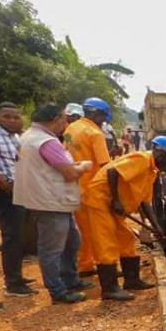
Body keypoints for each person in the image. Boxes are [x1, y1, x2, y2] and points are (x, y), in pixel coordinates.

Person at [13, 104, 95, 304]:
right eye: (64, 120)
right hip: (52, 201)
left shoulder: (26, 138)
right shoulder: (47, 142)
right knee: (52, 250)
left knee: (72, 241)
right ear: (56, 119)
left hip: (48, 199)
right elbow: (69, 174)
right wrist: (84, 166)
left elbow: (50, 167)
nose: (65, 125)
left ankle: (70, 279)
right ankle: (58, 291)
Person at [78, 137, 166, 301]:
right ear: (158, 151)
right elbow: (112, 171)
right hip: (100, 200)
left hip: (114, 206)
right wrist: (115, 200)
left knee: (127, 238)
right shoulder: (142, 159)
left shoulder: (151, 171)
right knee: (106, 242)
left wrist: (156, 227)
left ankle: (132, 280)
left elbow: (144, 202)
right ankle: (109, 289)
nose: (165, 161)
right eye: (165, 156)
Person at [65, 97, 114, 276]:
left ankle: (85, 264)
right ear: (94, 113)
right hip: (93, 189)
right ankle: (104, 265)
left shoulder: (71, 128)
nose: (103, 121)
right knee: (100, 231)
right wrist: (112, 193)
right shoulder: (95, 133)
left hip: (75, 185)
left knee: (83, 229)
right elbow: (105, 165)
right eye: (102, 117)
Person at [0, 102, 32, 296]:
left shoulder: (14, 137)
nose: (13, 120)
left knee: (19, 235)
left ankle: (17, 276)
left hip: (17, 190)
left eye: (16, 117)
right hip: (4, 192)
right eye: (7, 116)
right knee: (12, 236)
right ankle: (13, 284)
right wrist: (2, 182)